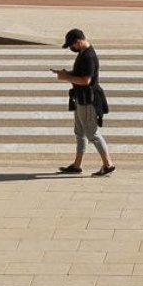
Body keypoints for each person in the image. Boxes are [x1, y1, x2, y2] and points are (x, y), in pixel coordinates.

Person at [53, 27, 112, 176]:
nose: (71, 48)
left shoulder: (88, 57)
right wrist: (67, 74)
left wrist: (66, 78)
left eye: (72, 45)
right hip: (81, 98)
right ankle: (77, 165)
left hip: (88, 100)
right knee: (80, 132)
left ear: (78, 42)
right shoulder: (82, 53)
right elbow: (80, 75)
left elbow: (86, 80)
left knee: (92, 133)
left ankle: (108, 165)